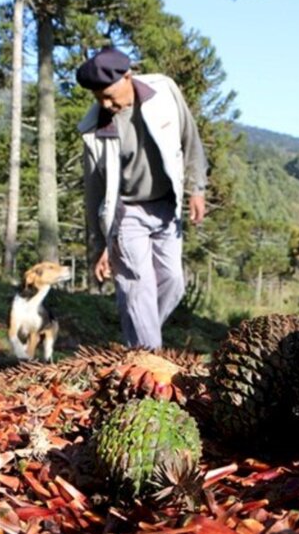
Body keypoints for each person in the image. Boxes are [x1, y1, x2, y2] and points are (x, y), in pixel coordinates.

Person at [76, 47, 207, 350]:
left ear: (128, 76)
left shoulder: (164, 91)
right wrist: (100, 244)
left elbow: (191, 139)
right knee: (137, 285)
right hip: (127, 212)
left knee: (172, 282)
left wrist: (197, 188)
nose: (106, 104)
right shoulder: (94, 129)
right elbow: (93, 191)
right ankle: (149, 361)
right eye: (99, 99)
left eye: (109, 95)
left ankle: (137, 343)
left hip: (166, 206)